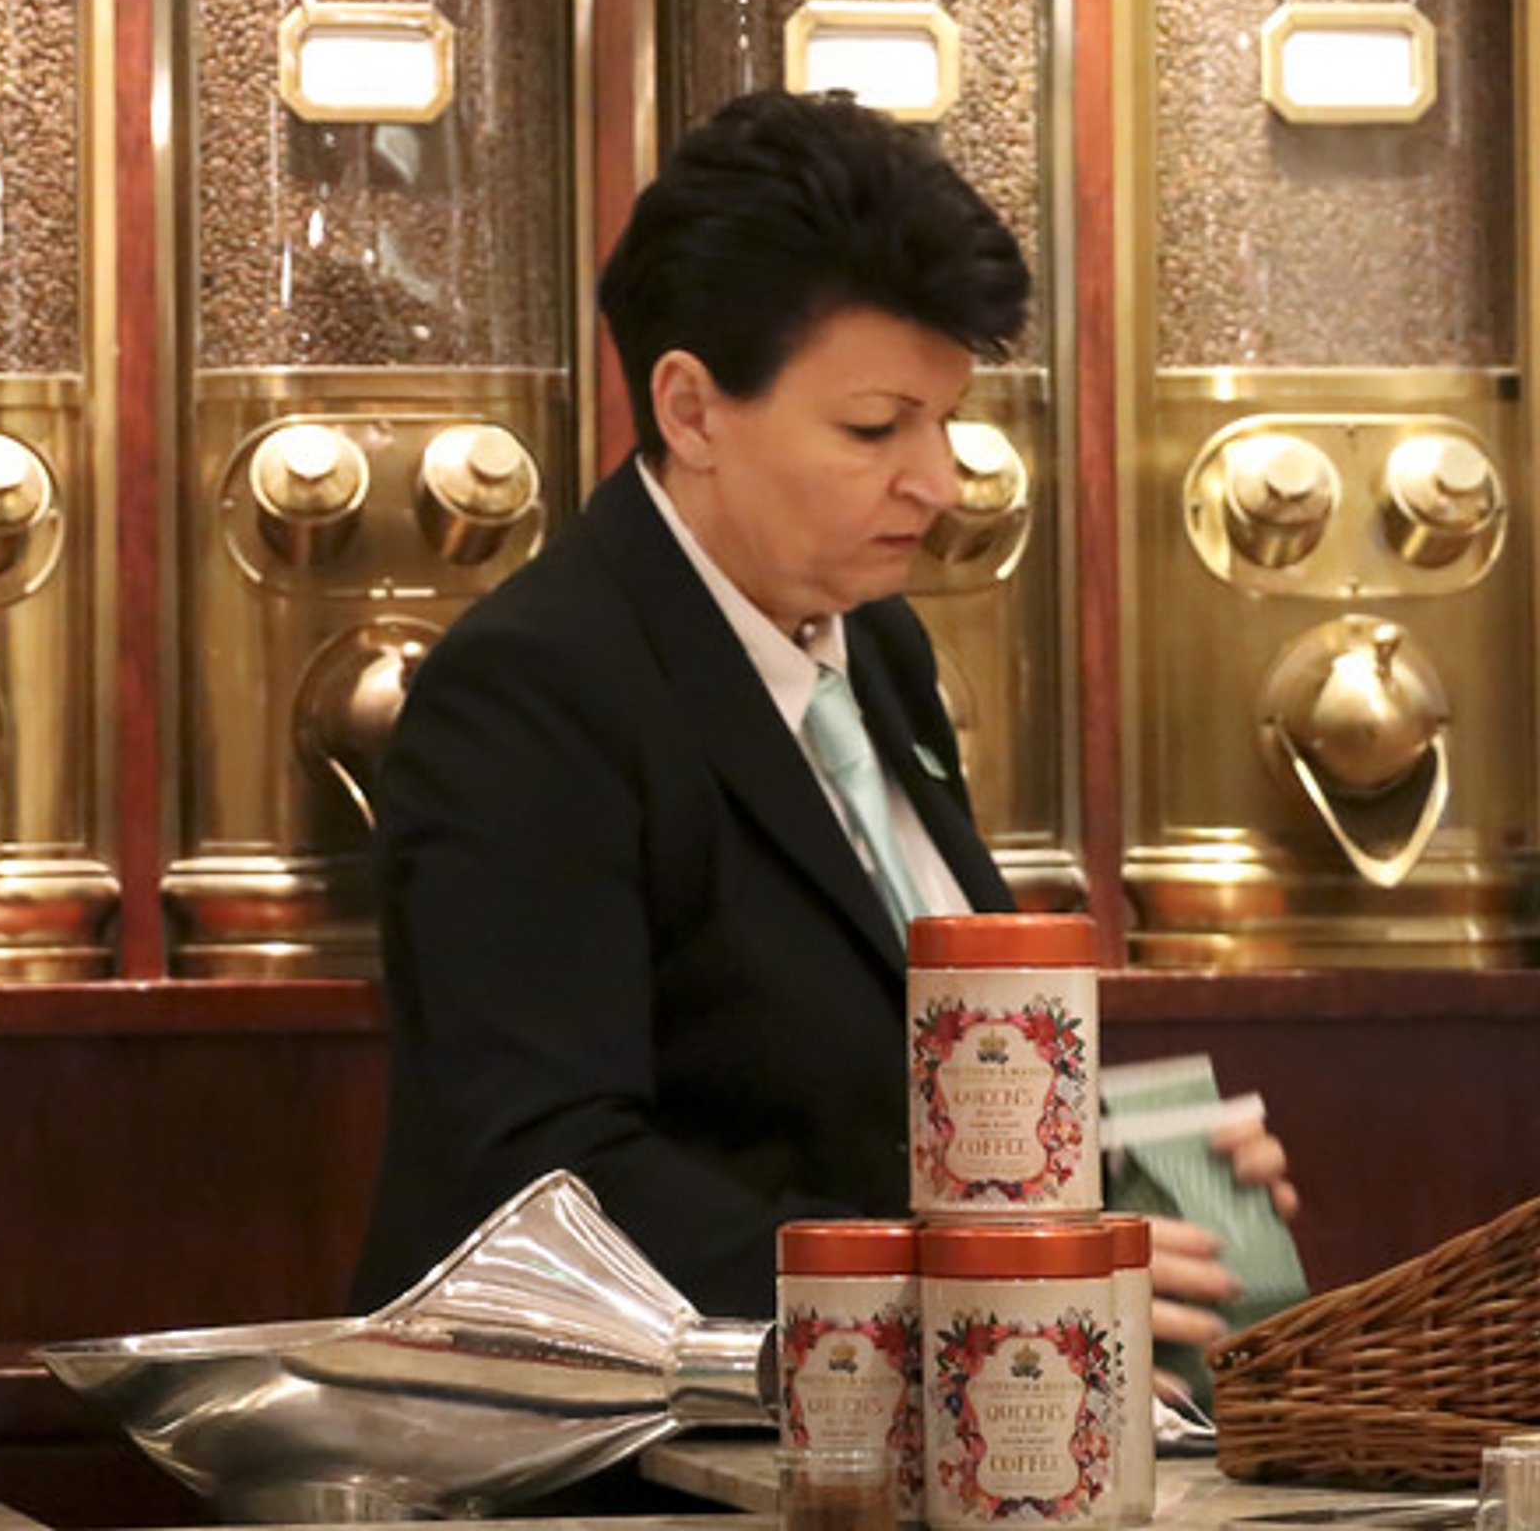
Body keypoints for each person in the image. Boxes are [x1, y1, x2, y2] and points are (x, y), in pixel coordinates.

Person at [349, 88, 1294, 1384]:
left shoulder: (877, 644)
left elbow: (877, 1100)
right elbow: (543, 1183)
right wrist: (971, 1292)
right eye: (874, 427)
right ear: (689, 411)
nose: (941, 482)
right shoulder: (531, 691)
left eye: (947, 417)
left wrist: (1118, 1173)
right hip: (614, 1454)